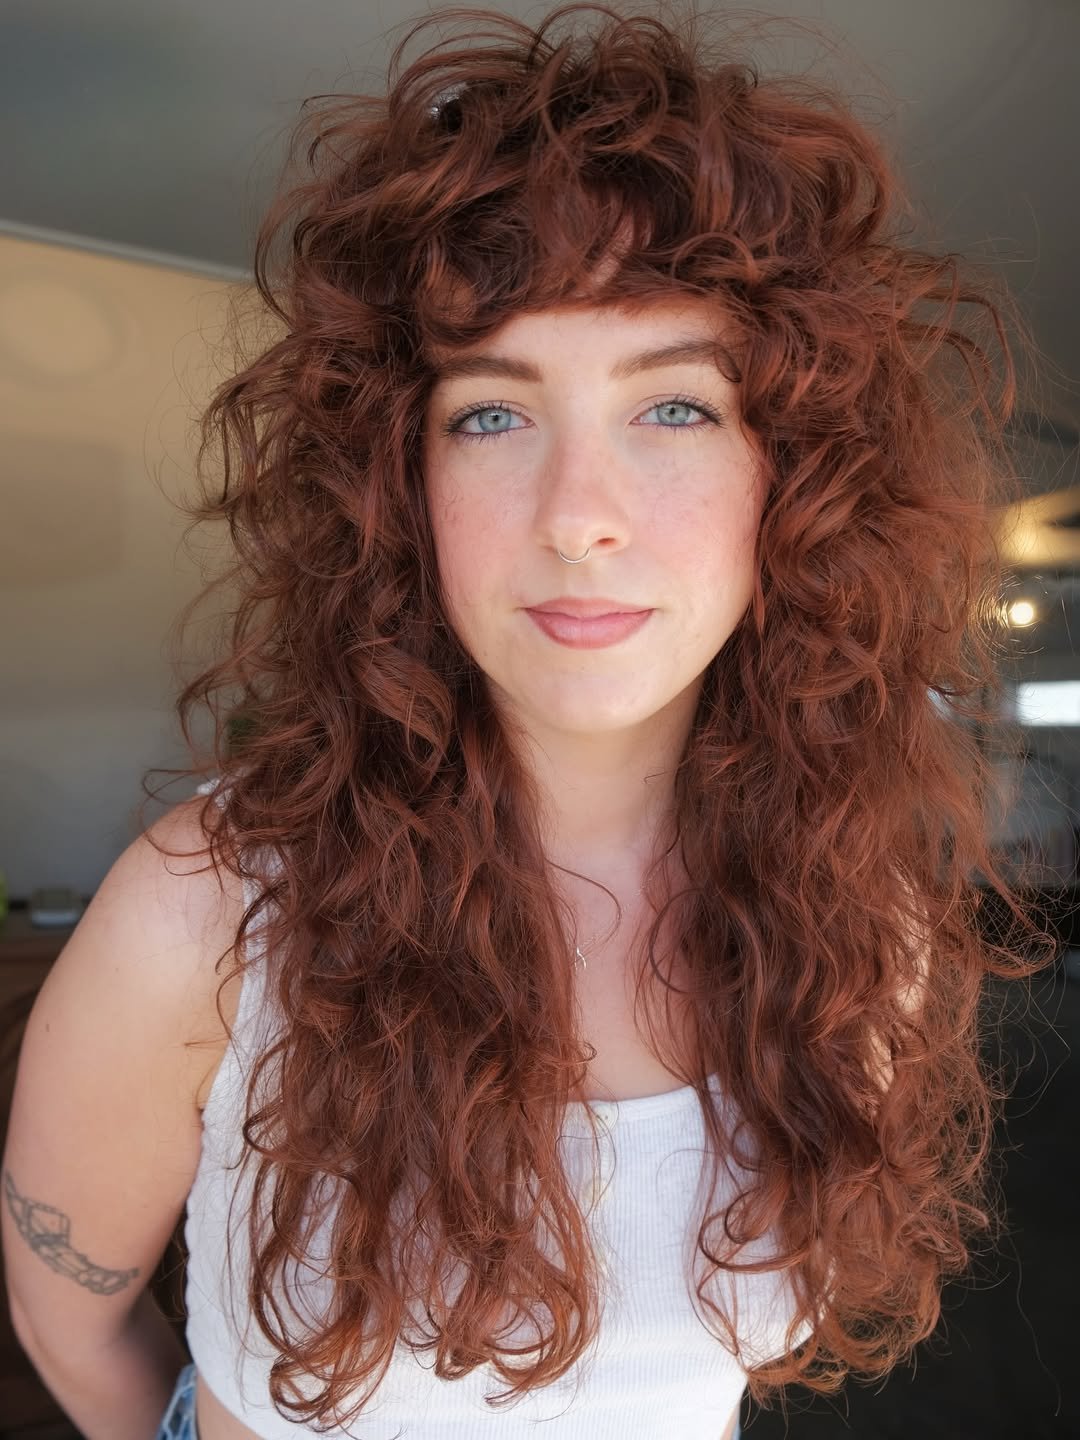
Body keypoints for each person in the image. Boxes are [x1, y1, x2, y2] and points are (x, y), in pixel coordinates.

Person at [2, 5, 1055, 1439]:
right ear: (400, 490)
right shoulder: (213, 910)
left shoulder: (862, 918)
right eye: (491, 415)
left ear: (793, 480)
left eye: (675, 408)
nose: (580, 518)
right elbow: (67, 1320)